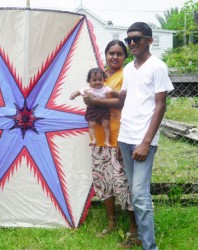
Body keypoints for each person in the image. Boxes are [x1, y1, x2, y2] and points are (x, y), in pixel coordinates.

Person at [118, 22, 174, 249]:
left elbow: (160, 106)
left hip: (144, 140)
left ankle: (150, 246)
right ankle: (141, 237)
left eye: (137, 38)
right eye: (128, 39)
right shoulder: (129, 68)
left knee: (140, 195)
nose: (132, 43)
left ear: (149, 40)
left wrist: (146, 142)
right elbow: (129, 99)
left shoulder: (157, 66)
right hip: (125, 136)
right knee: (135, 193)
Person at [83, 40, 138, 244]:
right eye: (111, 53)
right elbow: (84, 93)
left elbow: (122, 101)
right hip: (98, 138)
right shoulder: (98, 75)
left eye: (119, 54)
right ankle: (111, 222)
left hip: (120, 137)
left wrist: (95, 101)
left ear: (125, 57)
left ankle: (133, 226)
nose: (115, 57)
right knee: (102, 180)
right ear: (105, 55)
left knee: (123, 182)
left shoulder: (127, 75)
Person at [70, 68, 114, 147]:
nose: (97, 82)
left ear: (104, 80)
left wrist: (118, 94)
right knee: (91, 123)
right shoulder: (87, 88)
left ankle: (107, 141)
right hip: (92, 109)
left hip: (103, 109)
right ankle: (94, 139)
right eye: (94, 80)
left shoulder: (105, 88)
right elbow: (79, 91)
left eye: (100, 80)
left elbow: (113, 92)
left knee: (106, 124)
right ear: (89, 81)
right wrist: (73, 95)